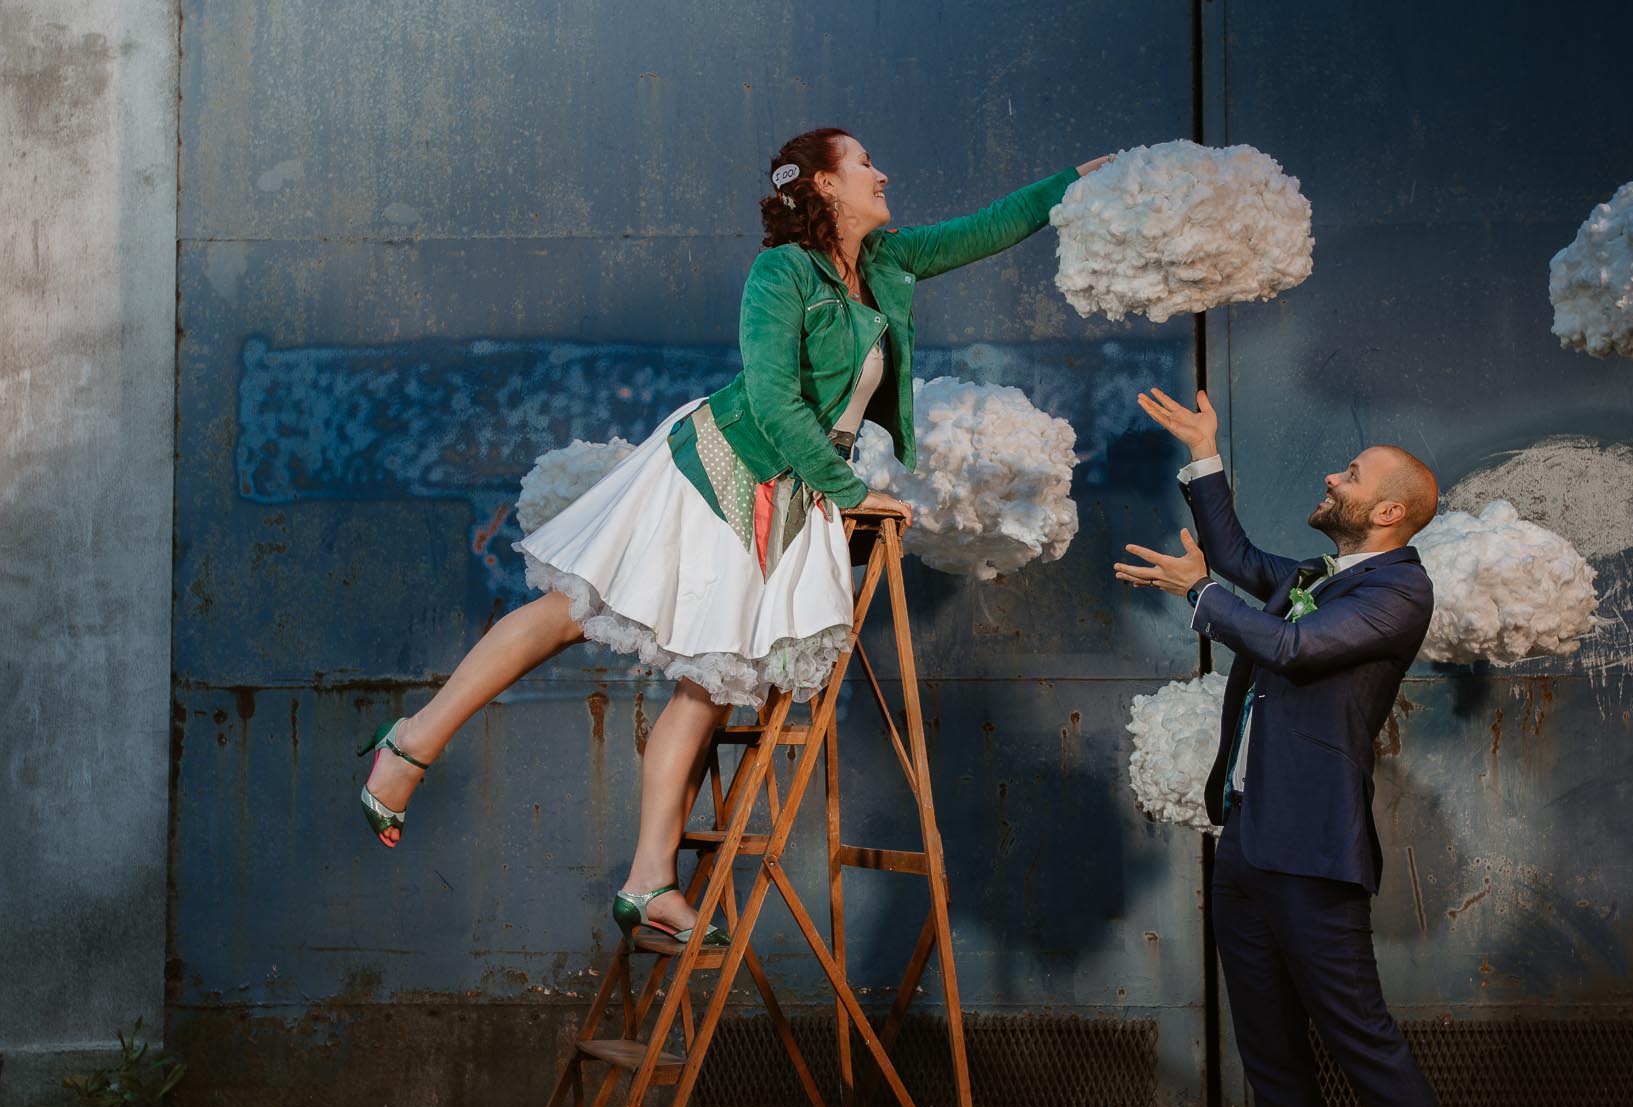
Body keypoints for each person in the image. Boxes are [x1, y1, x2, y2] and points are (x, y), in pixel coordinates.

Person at [357, 127, 1111, 945]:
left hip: (785, 493)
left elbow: (985, 228)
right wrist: (856, 490)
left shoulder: (887, 261)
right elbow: (775, 399)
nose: (882, 171)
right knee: (573, 608)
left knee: (710, 679)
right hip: (720, 466)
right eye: (864, 163)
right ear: (824, 185)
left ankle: (649, 882)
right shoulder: (780, 274)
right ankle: (410, 742)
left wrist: (1076, 180)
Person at [1115, 388, 1489, 1107]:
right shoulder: (1328, 573)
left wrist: (1197, 592)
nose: (1334, 474)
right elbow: (1241, 561)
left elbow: (1287, 647)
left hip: (1315, 854)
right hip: (1248, 838)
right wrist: (1204, 453)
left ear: (1390, 510)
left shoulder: (1399, 590)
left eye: (1352, 475)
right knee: (1270, 1043)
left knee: (1362, 1041)